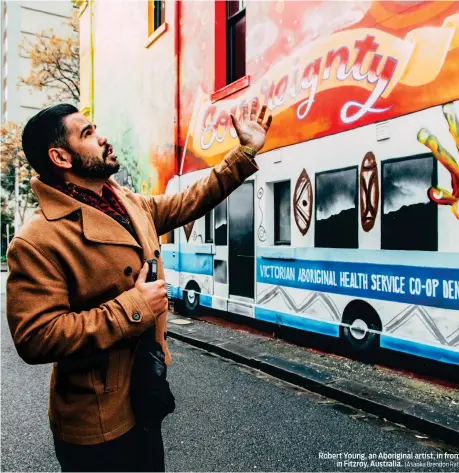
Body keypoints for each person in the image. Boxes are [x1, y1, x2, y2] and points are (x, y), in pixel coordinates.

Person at [5, 100, 272, 472]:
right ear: (61, 157)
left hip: (146, 397)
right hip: (95, 425)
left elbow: (188, 201)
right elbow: (36, 336)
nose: (103, 138)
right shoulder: (38, 240)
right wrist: (133, 307)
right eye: (88, 134)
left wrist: (243, 153)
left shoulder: (127, 202)